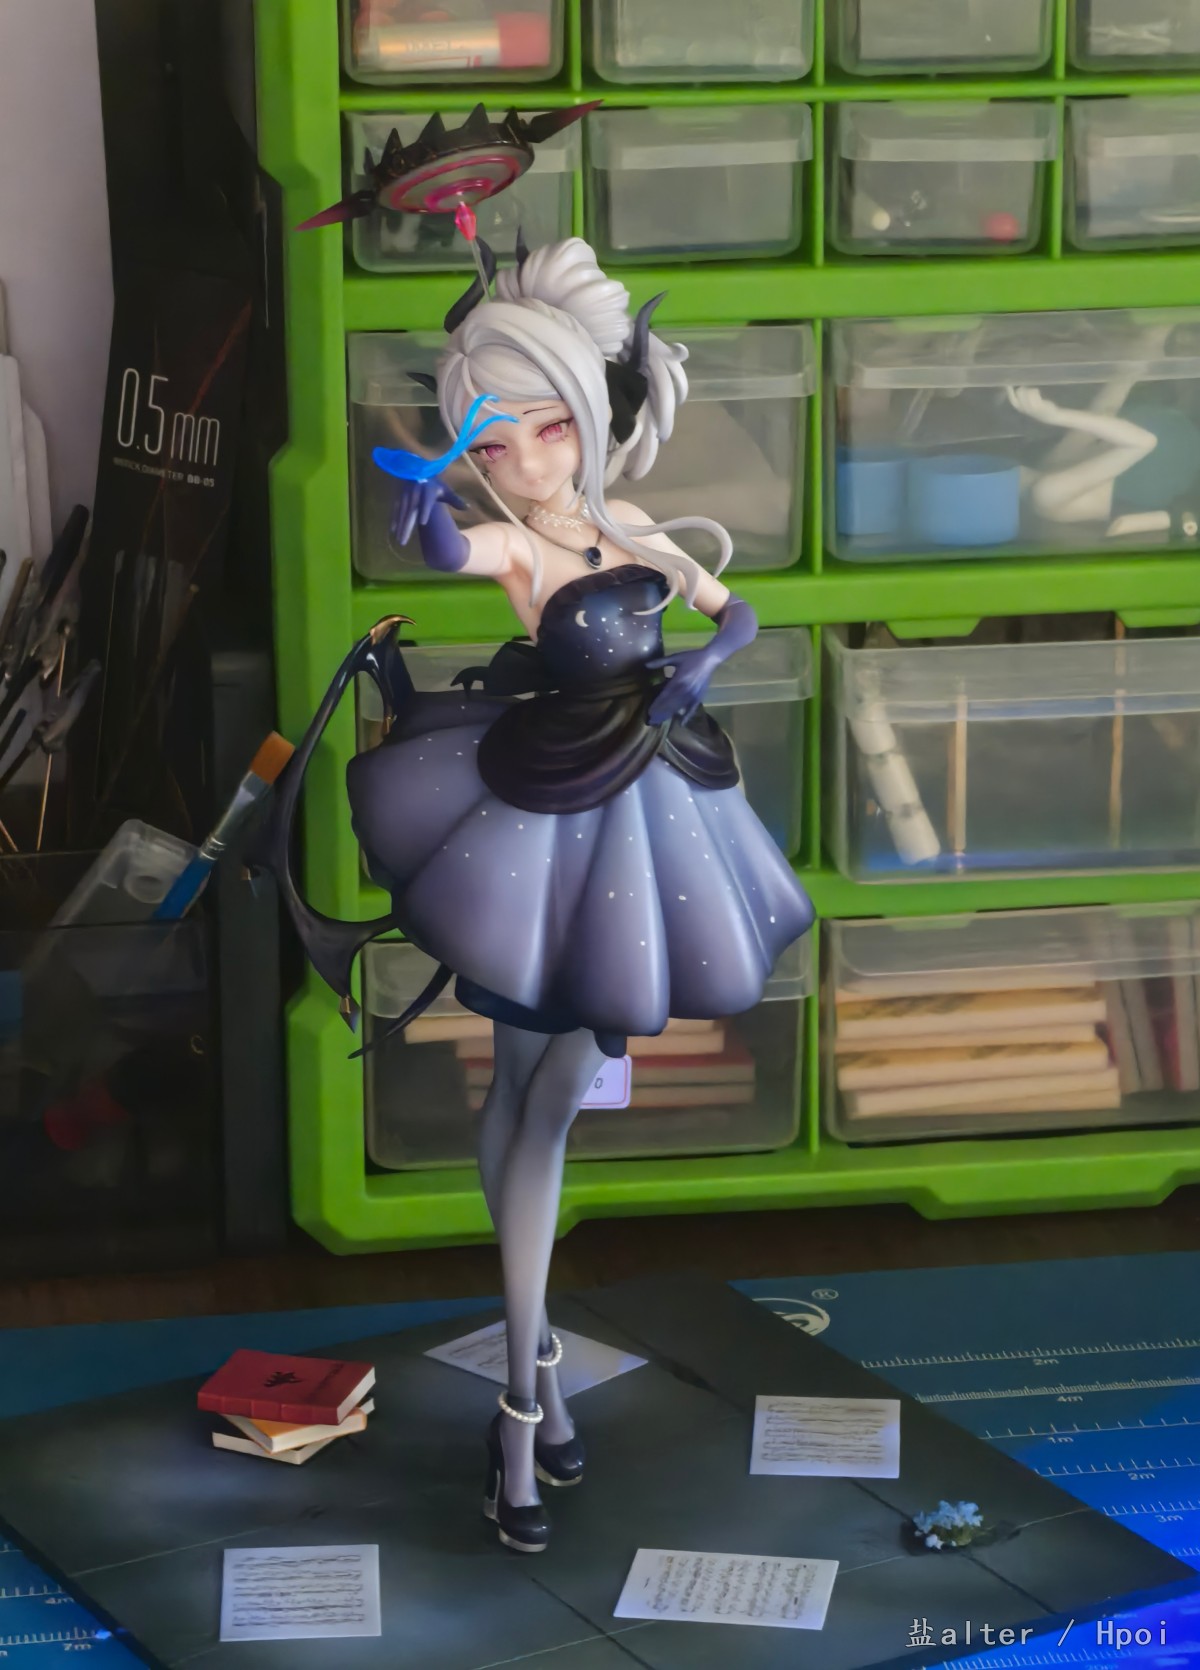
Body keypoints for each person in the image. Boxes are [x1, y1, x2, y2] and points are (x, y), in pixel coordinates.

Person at [265, 236, 814, 1554]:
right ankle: (524, 1390)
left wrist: (700, 671)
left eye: (547, 426)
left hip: (649, 813)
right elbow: (449, 543)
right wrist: (425, 499)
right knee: (530, 1091)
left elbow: (733, 613)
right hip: (547, 820)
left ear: (588, 412)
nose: (527, 457)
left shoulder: (631, 529)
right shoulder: (517, 544)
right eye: (497, 439)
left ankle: (536, 1382)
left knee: (549, 1092)